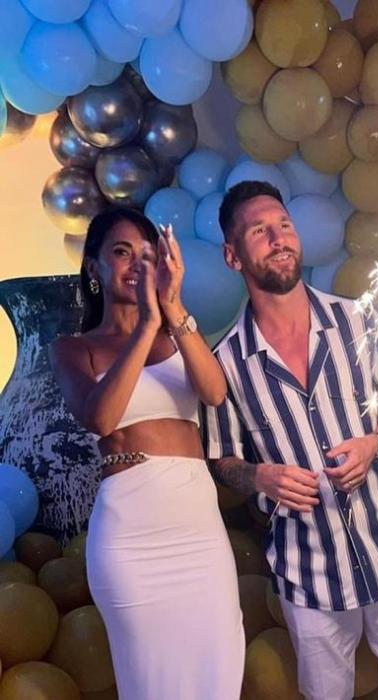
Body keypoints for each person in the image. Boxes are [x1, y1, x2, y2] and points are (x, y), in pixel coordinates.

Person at [206, 181, 378, 700]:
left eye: (284, 225)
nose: (278, 238)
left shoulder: (357, 320)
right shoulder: (226, 362)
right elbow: (222, 460)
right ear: (233, 256)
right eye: (259, 231)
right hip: (307, 573)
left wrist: (374, 442)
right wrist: (258, 476)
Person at [50, 207, 244, 700]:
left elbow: (214, 391)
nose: (138, 265)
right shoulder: (74, 347)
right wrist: (143, 327)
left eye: (148, 255)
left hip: (199, 534)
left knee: (218, 677)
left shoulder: (177, 333)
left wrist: (171, 310)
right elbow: (100, 418)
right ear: (94, 268)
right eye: (122, 252)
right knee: (153, 685)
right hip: (132, 539)